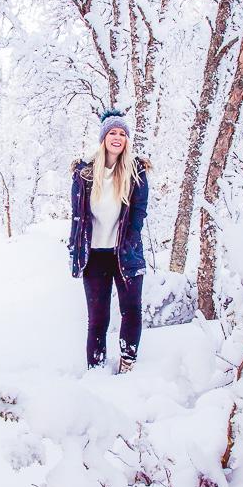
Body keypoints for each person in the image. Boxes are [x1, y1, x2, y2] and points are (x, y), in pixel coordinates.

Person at [68, 109, 150, 373]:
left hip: (125, 253)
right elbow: (77, 216)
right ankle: (96, 370)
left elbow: (139, 212)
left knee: (131, 311)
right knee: (98, 318)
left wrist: (130, 239)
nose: (117, 137)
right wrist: (74, 248)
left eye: (122, 134)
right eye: (112, 133)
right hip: (94, 256)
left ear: (127, 140)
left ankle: (127, 364)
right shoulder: (84, 174)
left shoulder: (136, 172)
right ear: (103, 138)